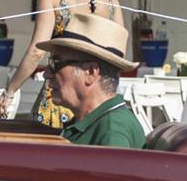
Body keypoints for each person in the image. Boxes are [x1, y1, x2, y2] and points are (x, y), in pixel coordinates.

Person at [35, 10, 147, 148]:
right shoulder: (94, 122)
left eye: (55, 63)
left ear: (90, 72)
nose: (46, 73)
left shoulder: (112, 132)